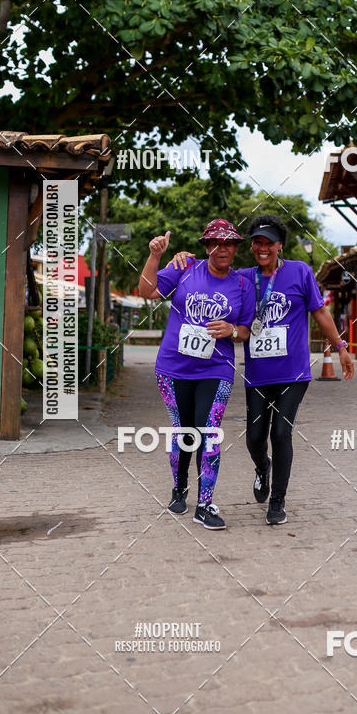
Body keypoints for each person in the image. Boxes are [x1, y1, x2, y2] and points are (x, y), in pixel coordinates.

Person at [169, 214, 355, 525]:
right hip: (257, 374)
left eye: (269, 242)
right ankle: (261, 467)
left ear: (280, 245)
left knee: (281, 433)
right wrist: (184, 260)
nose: (262, 247)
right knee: (254, 438)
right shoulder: (242, 277)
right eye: (257, 242)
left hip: (292, 373)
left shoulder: (299, 271)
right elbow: (214, 269)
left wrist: (340, 347)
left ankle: (278, 502)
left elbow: (320, 311)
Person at [139, 219, 255, 530]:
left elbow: (246, 329)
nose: (223, 248)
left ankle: (205, 503)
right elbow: (147, 291)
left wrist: (233, 330)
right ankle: (179, 487)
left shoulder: (243, 285)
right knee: (183, 432)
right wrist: (155, 256)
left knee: (209, 433)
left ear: (235, 249)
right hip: (173, 368)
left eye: (229, 243)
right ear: (206, 247)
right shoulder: (185, 267)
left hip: (216, 369)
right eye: (216, 243)